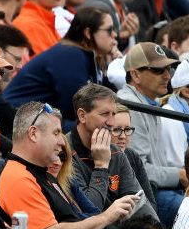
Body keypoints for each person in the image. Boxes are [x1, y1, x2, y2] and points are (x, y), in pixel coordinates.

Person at [0, 101, 137, 229]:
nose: (62, 141)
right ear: (33, 133)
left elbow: (74, 219)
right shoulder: (18, 178)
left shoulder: (41, 174)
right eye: (56, 133)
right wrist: (107, 216)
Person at [5, 7, 120, 129]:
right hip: (16, 121)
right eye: (109, 30)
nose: (114, 35)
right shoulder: (71, 55)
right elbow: (76, 108)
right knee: (91, 126)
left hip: (35, 118)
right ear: (88, 33)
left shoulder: (84, 55)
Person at [117, 42, 187, 229]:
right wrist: (180, 175)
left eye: (168, 69)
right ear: (135, 74)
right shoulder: (129, 105)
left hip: (157, 190)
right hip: (142, 197)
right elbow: (139, 171)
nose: (167, 76)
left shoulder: (147, 101)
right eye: (158, 70)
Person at [68, 83, 158, 220]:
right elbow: (90, 210)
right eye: (105, 114)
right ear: (82, 116)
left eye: (113, 114)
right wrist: (101, 166)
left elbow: (140, 203)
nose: (111, 122)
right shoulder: (64, 152)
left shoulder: (116, 152)